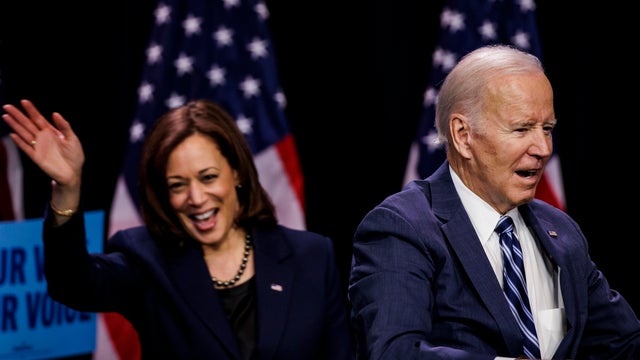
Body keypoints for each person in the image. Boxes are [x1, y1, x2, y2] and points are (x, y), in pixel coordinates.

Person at [348, 44, 640, 359]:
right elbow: (396, 352)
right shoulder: (402, 228)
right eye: (522, 129)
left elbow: (621, 342)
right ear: (462, 135)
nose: (542, 148)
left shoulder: (560, 230)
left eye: (547, 129)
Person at [2, 98, 352, 360]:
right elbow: (72, 284)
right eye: (177, 185)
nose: (196, 198)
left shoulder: (312, 256)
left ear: (238, 174)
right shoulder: (146, 260)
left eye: (208, 177)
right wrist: (68, 188)